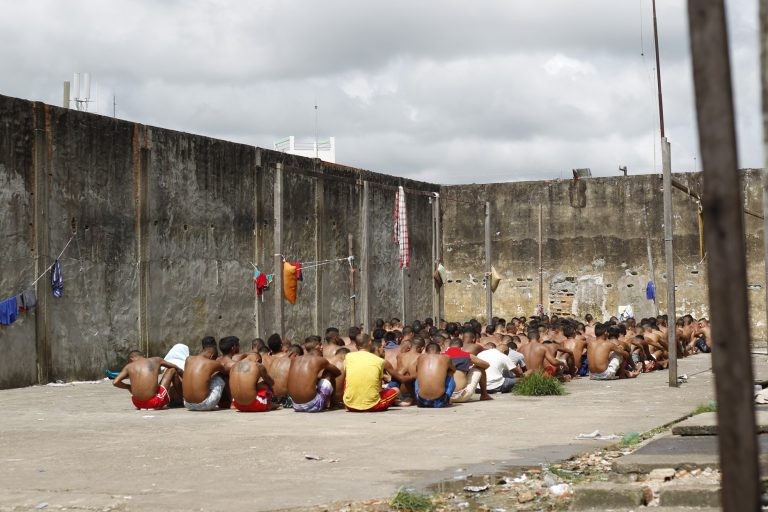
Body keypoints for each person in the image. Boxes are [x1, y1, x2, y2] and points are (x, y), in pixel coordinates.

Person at [343, 334, 414, 412]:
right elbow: (401, 379)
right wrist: (414, 376)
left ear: (356, 345)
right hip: (372, 406)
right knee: (396, 390)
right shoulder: (380, 361)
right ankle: (397, 402)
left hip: (349, 405)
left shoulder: (348, 357)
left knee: (348, 379)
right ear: (370, 343)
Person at [113, 350, 183, 410]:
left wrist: (128, 387)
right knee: (172, 370)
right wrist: (183, 376)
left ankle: (148, 403)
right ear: (144, 356)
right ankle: (183, 399)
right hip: (154, 402)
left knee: (156, 386)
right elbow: (177, 368)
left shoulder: (128, 367)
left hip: (137, 403)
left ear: (131, 359)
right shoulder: (156, 360)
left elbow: (115, 382)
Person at [183, 345, 228, 411]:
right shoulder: (212, 363)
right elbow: (225, 371)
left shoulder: (188, 359)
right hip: (204, 405)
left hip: (187, 404)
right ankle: (225, 402)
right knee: (219, 377)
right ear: (212, 356)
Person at [414, 342, 456, 408]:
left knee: (418, 376)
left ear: (426, 352)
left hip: (421, 402)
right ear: (439, 351)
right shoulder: (446, 357)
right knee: (450, 372)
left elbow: (417, 370)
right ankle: (447, 397)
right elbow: (454, 369)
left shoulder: (420, 358)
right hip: (440, 402)